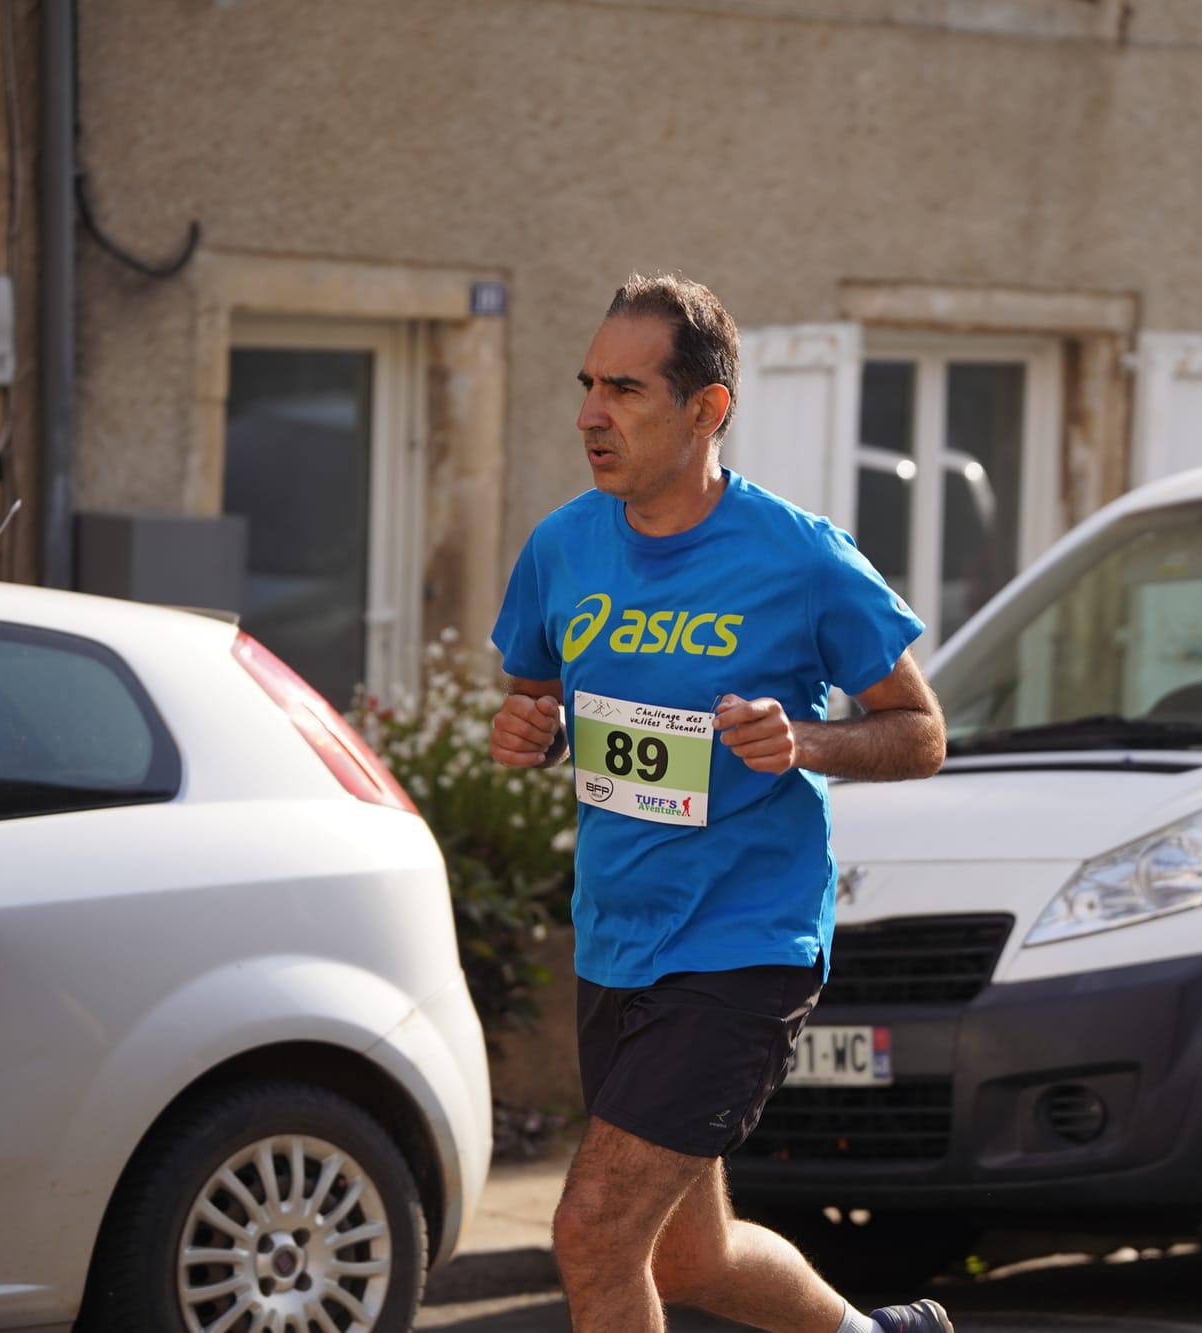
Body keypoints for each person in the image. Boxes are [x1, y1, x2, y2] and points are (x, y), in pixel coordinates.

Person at [488, 273, 952, 1333]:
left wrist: (809, 741)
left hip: (743, 941)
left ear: (707, 410)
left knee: (593, 1231)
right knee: (689, 1255)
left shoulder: (797, 555)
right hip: (616, 938)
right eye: (587, 384)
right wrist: (530, 727)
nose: (589, 414)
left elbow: (921, 732)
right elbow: (538, 695)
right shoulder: (564, 545)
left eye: (625, 389)